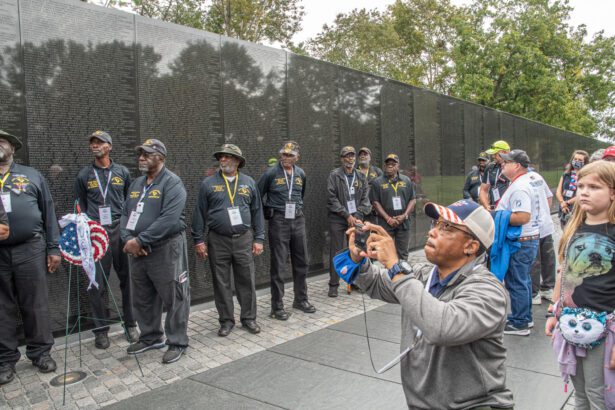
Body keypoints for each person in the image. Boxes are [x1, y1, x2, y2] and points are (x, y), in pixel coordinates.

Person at [340, 199, 513, 409]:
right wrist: (359, 261)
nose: (432, 232)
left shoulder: (489, 291)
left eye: (447, 227)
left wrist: (395, 266)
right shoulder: (424, 275)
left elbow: (442, 327)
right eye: (436, 224)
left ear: (471, 246)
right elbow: (378, 283)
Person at [546, 160, 615, 409]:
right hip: (570, 323)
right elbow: (562, 273)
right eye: (581, 185)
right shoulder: (574, 227)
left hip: (605, 329)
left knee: (598, 394)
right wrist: (553, 311)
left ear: (613, 192)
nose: (584, 192)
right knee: (580, 392)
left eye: (594, 187)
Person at [120, 139, 190, 364]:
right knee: (142, 297)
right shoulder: (136, 184)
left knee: (174, 296)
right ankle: (151, 337)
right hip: (138, 251)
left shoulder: (172, 183)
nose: (141, 157)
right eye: (140, 153)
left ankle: (177, 341)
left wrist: (141, 240)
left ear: (160, 157)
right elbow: (124, 213)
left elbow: (169, 219)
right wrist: (128, 238)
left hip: (165, 248)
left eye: (147, 154)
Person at [0, 129, 60, 385]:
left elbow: (48, 211)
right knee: (1, 308)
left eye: (2, 141)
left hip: (30, 249)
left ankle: (40, 353)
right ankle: (4, 359)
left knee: (35, 303)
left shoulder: (31, 175)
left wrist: (53, 248)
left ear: (13, 148)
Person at [192, 144, 265, 337]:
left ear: (237, 161)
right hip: (218, 240)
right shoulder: (208, 183)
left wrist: (259, 238)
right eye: (221, 157)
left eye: (227, 157)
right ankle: (226, 320)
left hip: (243, 239)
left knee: (246, 280)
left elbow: (257, 212)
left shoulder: (249, 182)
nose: (222, 160)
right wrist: (198, 240)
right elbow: (199, 213)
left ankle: (249, 318)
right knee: (221, 282)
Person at [74, 130, 138, 349]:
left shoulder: (122, 172)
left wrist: (130, 230)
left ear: (109, 146)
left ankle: (131, 323)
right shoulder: (84, 175)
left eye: (100, 142)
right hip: (96, 231)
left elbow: (130, 201)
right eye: (92, 142)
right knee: (96, 282)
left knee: (127, 279)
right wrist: (88, 228)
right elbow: (80, 203)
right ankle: (101, 329)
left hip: (120, 229)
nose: (95, 146)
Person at [257, 141, 315, 321]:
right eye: (284, 154)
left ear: (297, 157)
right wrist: (268, 211)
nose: (286, 158)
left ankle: (300, 299)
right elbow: (258, 196)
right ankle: (277, 306)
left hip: (297, 219)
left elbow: (301, 194)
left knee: (302, 261)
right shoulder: (271, 173)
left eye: (290, 155)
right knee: (279, 264)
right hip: (279, 220)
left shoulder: (300, 174)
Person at [496, 149, 547, 336]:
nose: (502, 164)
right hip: (528, 239)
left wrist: (497, 216)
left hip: (520, 241)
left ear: (516, 165)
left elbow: (522, 216)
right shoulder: (528, 180)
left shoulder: (519, 187)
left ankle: (520, 323)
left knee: (516, 281)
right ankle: (524, 317)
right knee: (522, 279)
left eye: (506, 162)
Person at [326, 146, 371, 297]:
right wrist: (346, 215)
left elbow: (366, 198)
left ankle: (355, 281)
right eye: (347, 156)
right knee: (337, 251)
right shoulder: (335, 175)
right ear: (341, 158)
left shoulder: (360, 176)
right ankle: (333, 284)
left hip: (356, 218)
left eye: (352, 156)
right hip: (338, 219)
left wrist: (357, 215)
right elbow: (331, 198)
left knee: (356, 250)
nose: (350, 159)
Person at [369, 154, 416, 260]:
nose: (390, 166)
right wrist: (388, 218)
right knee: (387, 252)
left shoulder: (406, 180)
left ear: (398, 166)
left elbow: (412, 200)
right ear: (384, 166)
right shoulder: (378, 182)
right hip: (385, 223)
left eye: (393, 164)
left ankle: (403, 275)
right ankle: (390, 275)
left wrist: (404, 216)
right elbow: (375, 203)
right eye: (388, 164)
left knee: (403, 253)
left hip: (403, 222)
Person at [529, 171, 556, 305]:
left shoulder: (535, 177)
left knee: (545, 258)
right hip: (534, 227)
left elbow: (548, 196)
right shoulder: (535, 177)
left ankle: (544, 290)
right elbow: (549, 196)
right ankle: (537, 292)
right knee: (537, 260)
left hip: (541, 227)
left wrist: (544, 215)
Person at [556, 150, 589, 227]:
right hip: (564, 209)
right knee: (564, 231)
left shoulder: (586, 176)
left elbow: (583, 194)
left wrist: (567, 203)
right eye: (575, 159)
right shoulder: (566, 174)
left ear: (585, 162)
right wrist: (562, 203)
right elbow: (558, 191)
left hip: (577, 210)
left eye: (580, 160)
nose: (577, 161)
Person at [479, 140, 510, 210]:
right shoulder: (490, 168)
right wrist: (487, 206)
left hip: (512, 210)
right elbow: (483, 190)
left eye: (495, 154)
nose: (493, 156)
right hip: (495, 209)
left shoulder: (516, 167)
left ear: (504, 152)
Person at [357, 147, 382, 224]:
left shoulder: (377, 171)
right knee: (359, 233)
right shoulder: (354, 172)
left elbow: (384, 189)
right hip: (358, 210)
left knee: (374, 234)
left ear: (370, 157)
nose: (362, 156)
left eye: (365, 154)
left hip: (373, 210)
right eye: (360, 155)